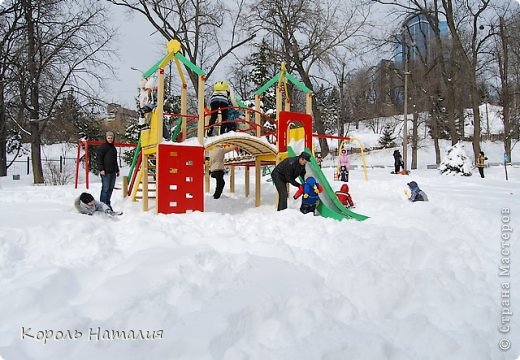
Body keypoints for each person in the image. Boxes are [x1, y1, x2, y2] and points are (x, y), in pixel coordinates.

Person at [97, 131, 119, 210]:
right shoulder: (102, 147)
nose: (110, 139)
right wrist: (101, 169)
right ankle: (102, 205)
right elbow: (99, 159)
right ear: (106, 138)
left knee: (110, 189)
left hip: (112, 172)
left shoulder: (113, 148)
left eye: (111, 138)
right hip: (105, 172)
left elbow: (114, 160)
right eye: (109, 138)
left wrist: (117, 170)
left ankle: (107, 204)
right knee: (105, 189)